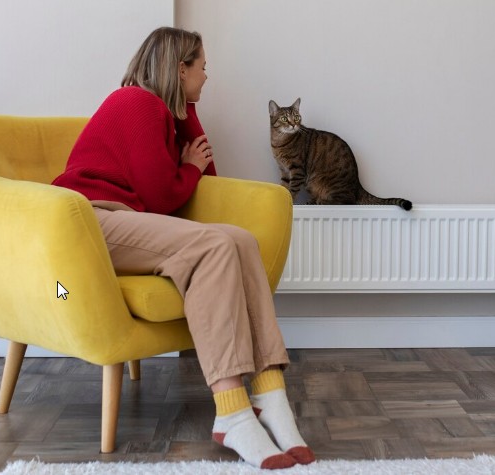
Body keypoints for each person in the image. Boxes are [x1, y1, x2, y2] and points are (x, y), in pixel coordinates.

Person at [52, 27, 314, 470]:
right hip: (90, 221)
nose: (207, 76)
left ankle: (271, 395)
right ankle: (231, 411)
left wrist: (187, 109)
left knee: (240, 239)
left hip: (126, 221)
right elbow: (160, 196)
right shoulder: (136, 102)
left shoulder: (163, 111)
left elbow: (207, 184)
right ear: (180, 68)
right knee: (215, 245)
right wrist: (188, 163)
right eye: (202, 67)